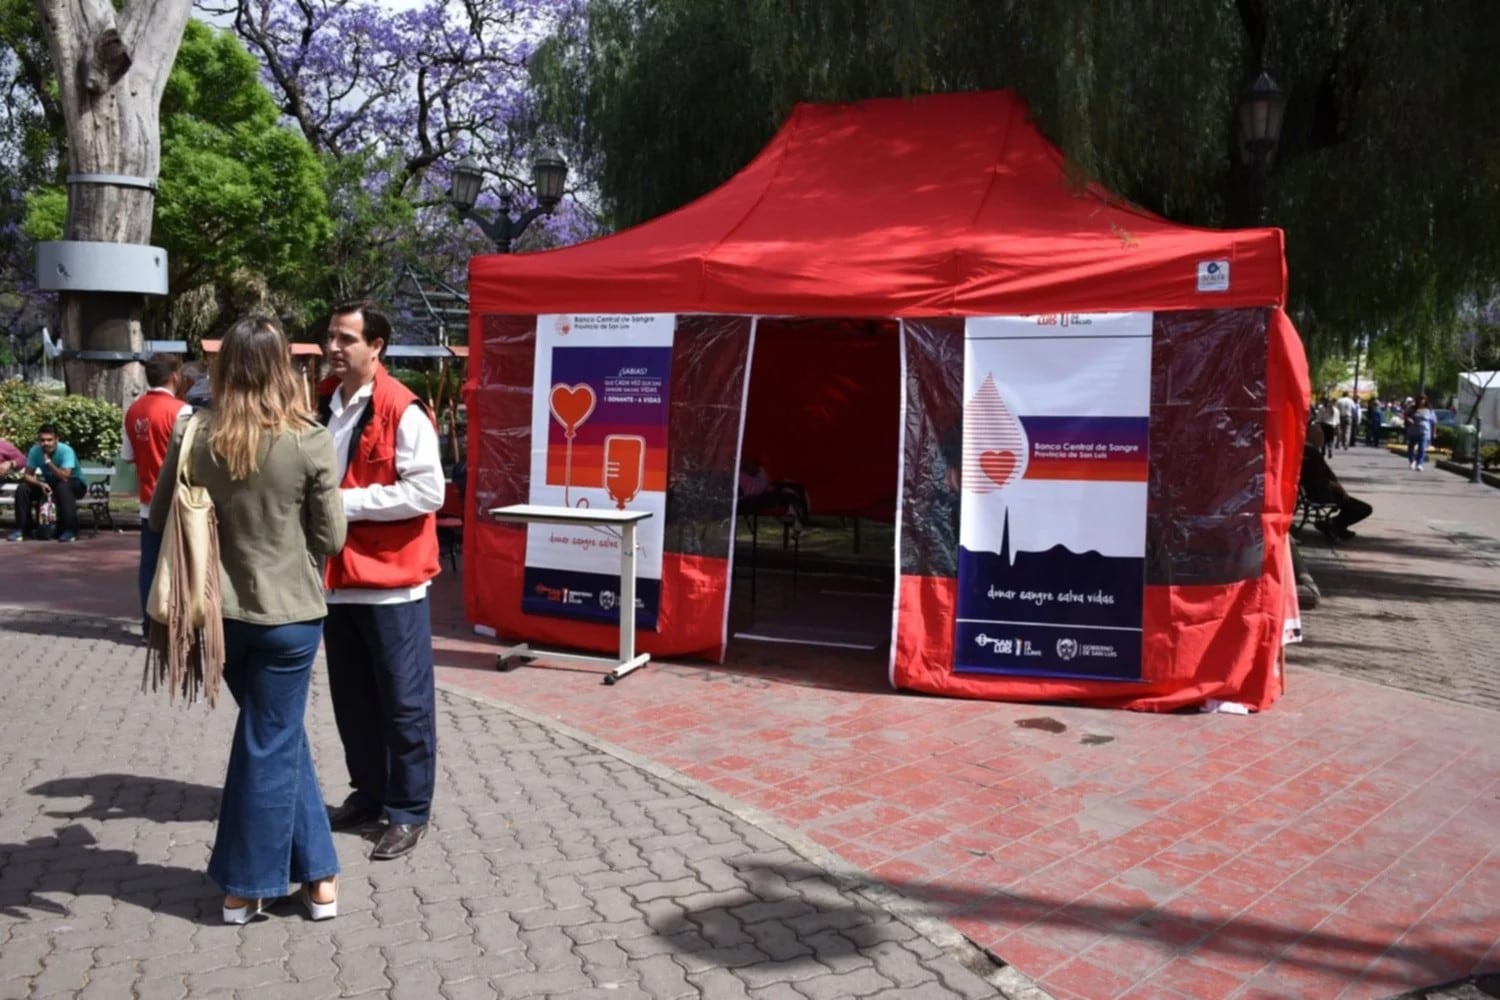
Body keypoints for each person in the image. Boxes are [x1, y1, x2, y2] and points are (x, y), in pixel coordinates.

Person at [150, 315, 347, 924]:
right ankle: (247, 884)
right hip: (290, 614)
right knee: (272, 739)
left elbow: (160, 516)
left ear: (224, 368)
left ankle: (319, 877)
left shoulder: (195, 433)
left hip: (218, 615)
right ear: (281, 368)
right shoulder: (307, 439)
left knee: (275, 736)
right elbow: (332, 537)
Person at [317, 300, 445, 862]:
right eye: (331, 337)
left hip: (392, 584)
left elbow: (428, 492)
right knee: (352, 700)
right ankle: (370, 794)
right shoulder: (325, 403)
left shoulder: (403, 410)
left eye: (346, 339)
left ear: (377, 347)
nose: (334, 348)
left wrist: (346, 503)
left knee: (403, 703)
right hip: (337, 580)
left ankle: (409, 810)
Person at [122, 354, 189, 636]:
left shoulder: (133, 410)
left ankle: (150, 625)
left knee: (149, 566)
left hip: (148, 503)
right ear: (174, 376)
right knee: (180, 566)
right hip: (177, 502)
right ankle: (176, 625)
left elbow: (127, 457)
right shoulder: (182, 411)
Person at [9, 425, 88, 542]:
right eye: (42, 440)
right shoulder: (35, 451)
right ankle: (23, 530)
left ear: (57, 439)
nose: (45, 443)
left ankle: (70, 531)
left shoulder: (66, 450)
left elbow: (65, 477)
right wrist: (40, 484)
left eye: (49, 440)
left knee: (63, 486)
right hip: (51, 484)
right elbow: (27, 475)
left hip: (75, 484)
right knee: (23, 488)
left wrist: (48, 461)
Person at [1301, 425, 1372, 541]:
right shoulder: (1312, 454)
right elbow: (1322, 478)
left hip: (1316, 491)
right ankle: (1333, 524)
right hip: (1323, 494)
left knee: (1353, 506)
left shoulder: (1305, 451)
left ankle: (1335, 525)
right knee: (1364, 508)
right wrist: (1339, 489)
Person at [1405, 394, 1436, 471]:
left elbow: (1434, 422)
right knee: (1410, 449)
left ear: (1426, 400)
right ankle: (1412, 461)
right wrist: (1408, 419)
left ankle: (1419, 464)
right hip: (1413, 432)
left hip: (1424, 432)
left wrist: (1434, 432)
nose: (1421, 401)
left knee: (1421, 449)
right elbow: (1405, 415)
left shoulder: (1429, 410)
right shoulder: (1412, 409)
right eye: (1420, 399)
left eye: (1423, 399)